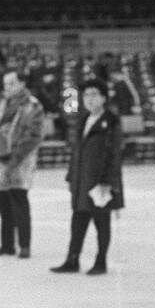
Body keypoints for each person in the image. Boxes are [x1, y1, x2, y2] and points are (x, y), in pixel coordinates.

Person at [51, 79, 124, 275]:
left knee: (102, 223)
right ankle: (72, 260)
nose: (89, 99)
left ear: (103, 98)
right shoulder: (84, 119)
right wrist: (71, 177)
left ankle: (101, 262)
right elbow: (78, 151)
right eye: (86, 95)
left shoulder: (111, 121)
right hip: (82, 180)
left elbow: (114, 154)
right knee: (78, 222)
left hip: (100, 182)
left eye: (94, 94)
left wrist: (108, 182)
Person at [0, 68, 46, 258]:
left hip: (21, 159)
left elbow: (34, 136)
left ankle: (24, 245)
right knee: (3, 202)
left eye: (11, 83)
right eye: (5, 84)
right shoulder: (4, 103)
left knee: (19, 200)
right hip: (1, 157)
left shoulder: (32, 105)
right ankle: (7, 244)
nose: (7, 88)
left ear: (22, 84)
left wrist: (15, 156)